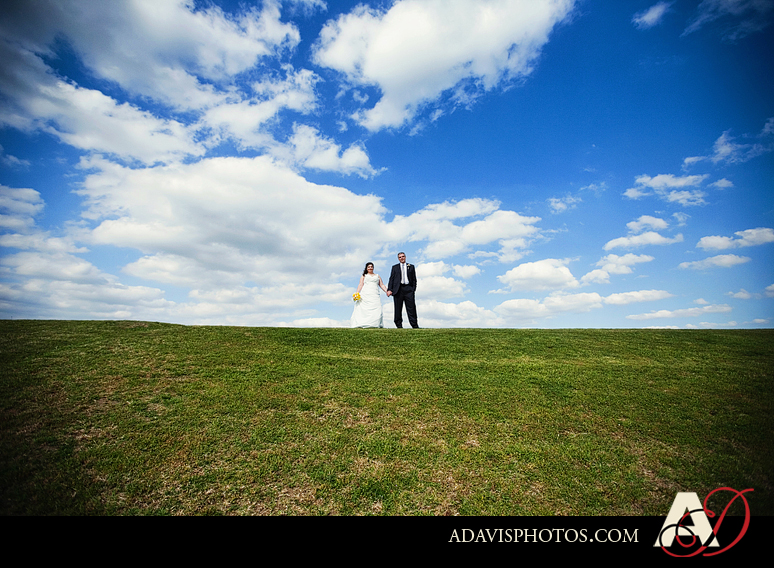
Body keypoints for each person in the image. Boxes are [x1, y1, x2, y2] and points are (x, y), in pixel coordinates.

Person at [350, 262, 389, 328]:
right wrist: (357, 293)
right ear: (366, 268)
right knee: (364, 308)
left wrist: (386, 291)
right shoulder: (364, 276)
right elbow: (360, 284)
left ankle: (374, 324)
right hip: (366, 293)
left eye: (371, 267)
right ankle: (364, 322)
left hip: (375, 294)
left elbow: (381, 285)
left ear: (373, 268)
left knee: (376, 307)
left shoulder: (377, 276)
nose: (370, 268)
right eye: (369, 267)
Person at [386, 252, 418, 328]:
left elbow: (414, 279)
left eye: (403, 256)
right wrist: (389, 289)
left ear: (405, 257)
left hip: (408, 289)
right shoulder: (395, 267)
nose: (402, 258)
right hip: (398, 290)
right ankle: (399, 325)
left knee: (411, 308)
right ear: (398, 259)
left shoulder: (411, 266)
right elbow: (391, 279)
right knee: (398, 308)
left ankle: (414, 325)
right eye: (400, 257)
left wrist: (413, 289)